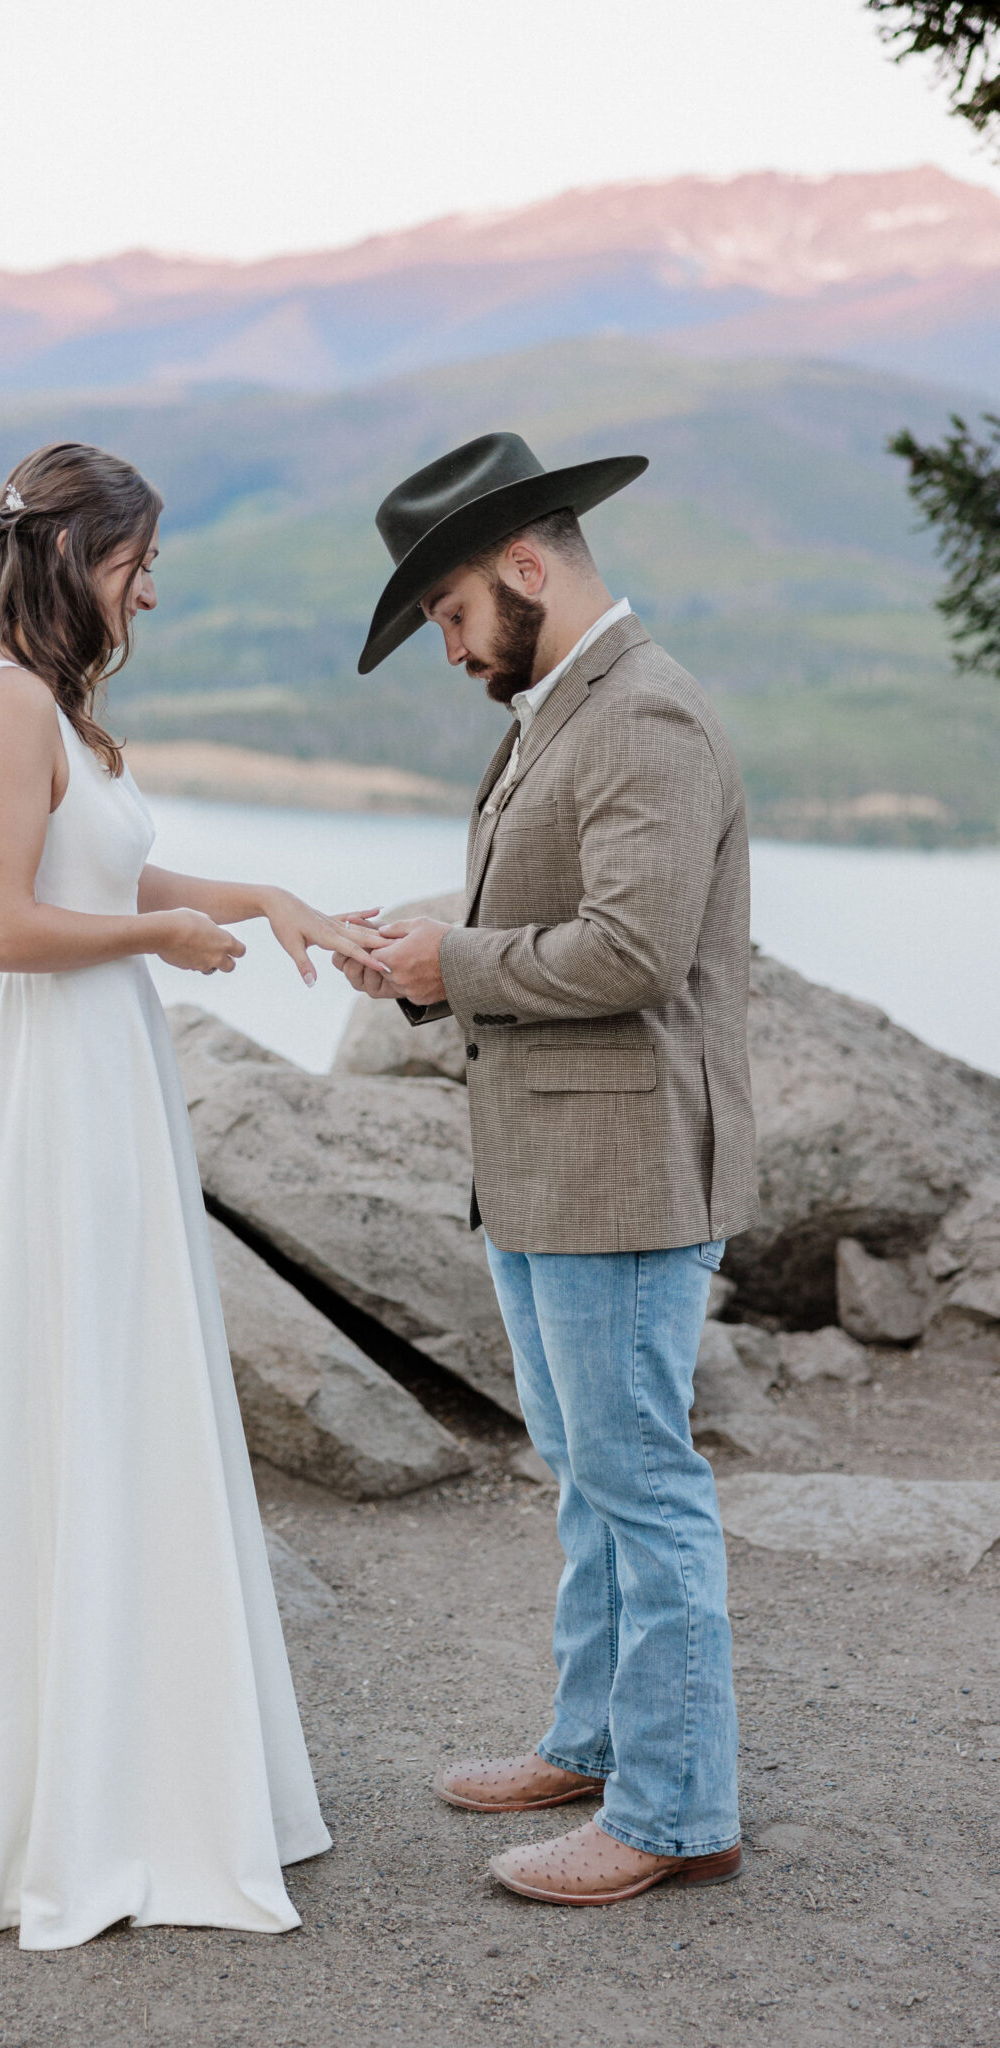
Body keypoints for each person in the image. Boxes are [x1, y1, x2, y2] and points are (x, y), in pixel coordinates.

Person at [0, 440, 386, 1949]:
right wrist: (159, 953)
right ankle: (61, 1787)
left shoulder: (60, 707)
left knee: (119, 1395)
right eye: (135, 556)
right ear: (69, 555)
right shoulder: (8, 699)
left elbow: (107, 879)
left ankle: (138, 1765)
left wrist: (257, 900)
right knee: (62, 1400)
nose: (149, 582)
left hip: (101, 1085)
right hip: (40, 1091)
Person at [338, 432, 759, 1907]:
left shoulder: (642, 715)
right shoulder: (563, 706)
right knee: (588, 1476)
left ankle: (673, 1810)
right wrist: (424, 949)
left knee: (639, 1484)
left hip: (622, 1169)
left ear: (523, 564)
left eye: (450, 614)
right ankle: (593, 1743)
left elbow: (635, 953)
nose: (452, 650)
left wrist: (452, 962)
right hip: (548, 1165)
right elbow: (561, 913)